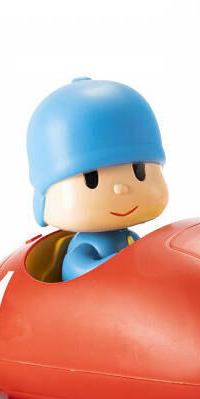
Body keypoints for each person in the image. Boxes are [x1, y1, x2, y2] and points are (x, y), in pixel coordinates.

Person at [26, 78, 169, 281]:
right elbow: (76, 270)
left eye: (139, 172)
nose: (121, 188)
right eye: (91, 180)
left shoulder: (129, 237)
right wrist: (121, 262)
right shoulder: (84, 245)